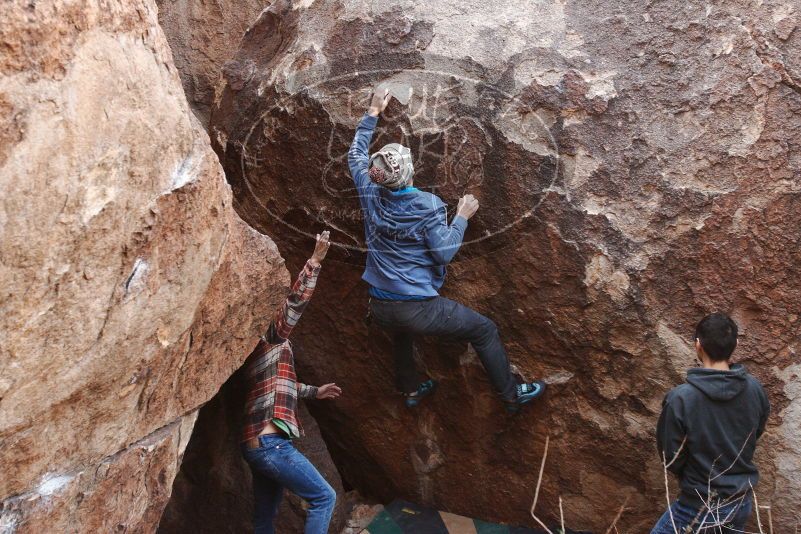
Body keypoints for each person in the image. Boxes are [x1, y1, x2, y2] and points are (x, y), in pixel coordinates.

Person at [347, 87, 546, 413]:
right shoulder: (428, 206)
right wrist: (462, 218)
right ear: (408, 173)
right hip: (417, 308)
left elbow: (355, 153)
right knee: (484, 330)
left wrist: (371, 113)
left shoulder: (368, 188)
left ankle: (410, 389)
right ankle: (511, 396)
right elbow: (443, 253)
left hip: (380, 305)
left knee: (401, 332)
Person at [241, 231, 342, 534]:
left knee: (264, 518)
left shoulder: (256, 353)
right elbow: (295, 304)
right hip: (270, 445)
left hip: (255, 444)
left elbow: (283, 385)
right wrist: (314, 261)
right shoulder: (270, 337)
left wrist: (315, 391)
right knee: (324, 497)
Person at [651, 313, 770, 534]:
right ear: (736, 344)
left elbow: (671, 455)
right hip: (739, 502)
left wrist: (694, 476)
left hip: (697, 503)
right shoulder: (755, 389)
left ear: (698, 345)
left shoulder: (681, 398)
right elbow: (756, 431)